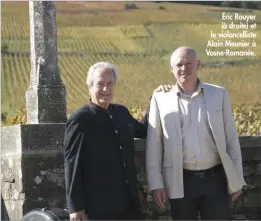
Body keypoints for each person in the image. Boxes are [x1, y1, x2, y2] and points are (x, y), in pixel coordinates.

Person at [146, 46, 247, 220]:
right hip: (179, 181)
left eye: (188, 63)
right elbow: (153, 146)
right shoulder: (160, 99)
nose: (184, 68)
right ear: (171, 69)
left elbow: (231, 139)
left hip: (216, 179)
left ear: (198, 64)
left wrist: (237, 178)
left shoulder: (219, 94)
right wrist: (156, 184)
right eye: (179, 65)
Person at [63, 61, 171, 221]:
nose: (106, 89)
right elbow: (72, 163)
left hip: (128, 203)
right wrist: (76, 207)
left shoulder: (121, 113)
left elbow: (144, 130)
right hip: (97, 207)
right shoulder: (80, 119)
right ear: (90, 86)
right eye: (100, 84)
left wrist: (154, 100)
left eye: (110, 84)